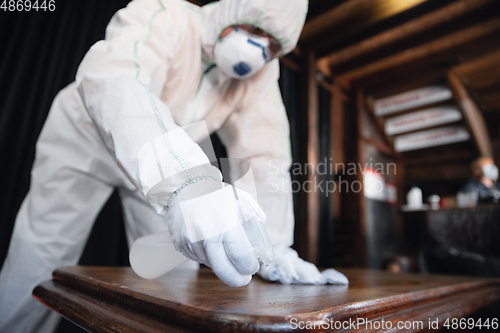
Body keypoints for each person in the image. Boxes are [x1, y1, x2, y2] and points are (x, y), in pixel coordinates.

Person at [0, 0, 348, 332]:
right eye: (255, 28)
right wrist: (187, 183)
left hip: (162, 157)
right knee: (41, 257)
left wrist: (272, 248)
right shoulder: (165, 14)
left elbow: (266, 153)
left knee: (175, 275)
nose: (258, 50)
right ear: (233, 6)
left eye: (273, 46)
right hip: (85, 136)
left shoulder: (260, 75)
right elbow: (118, 78)